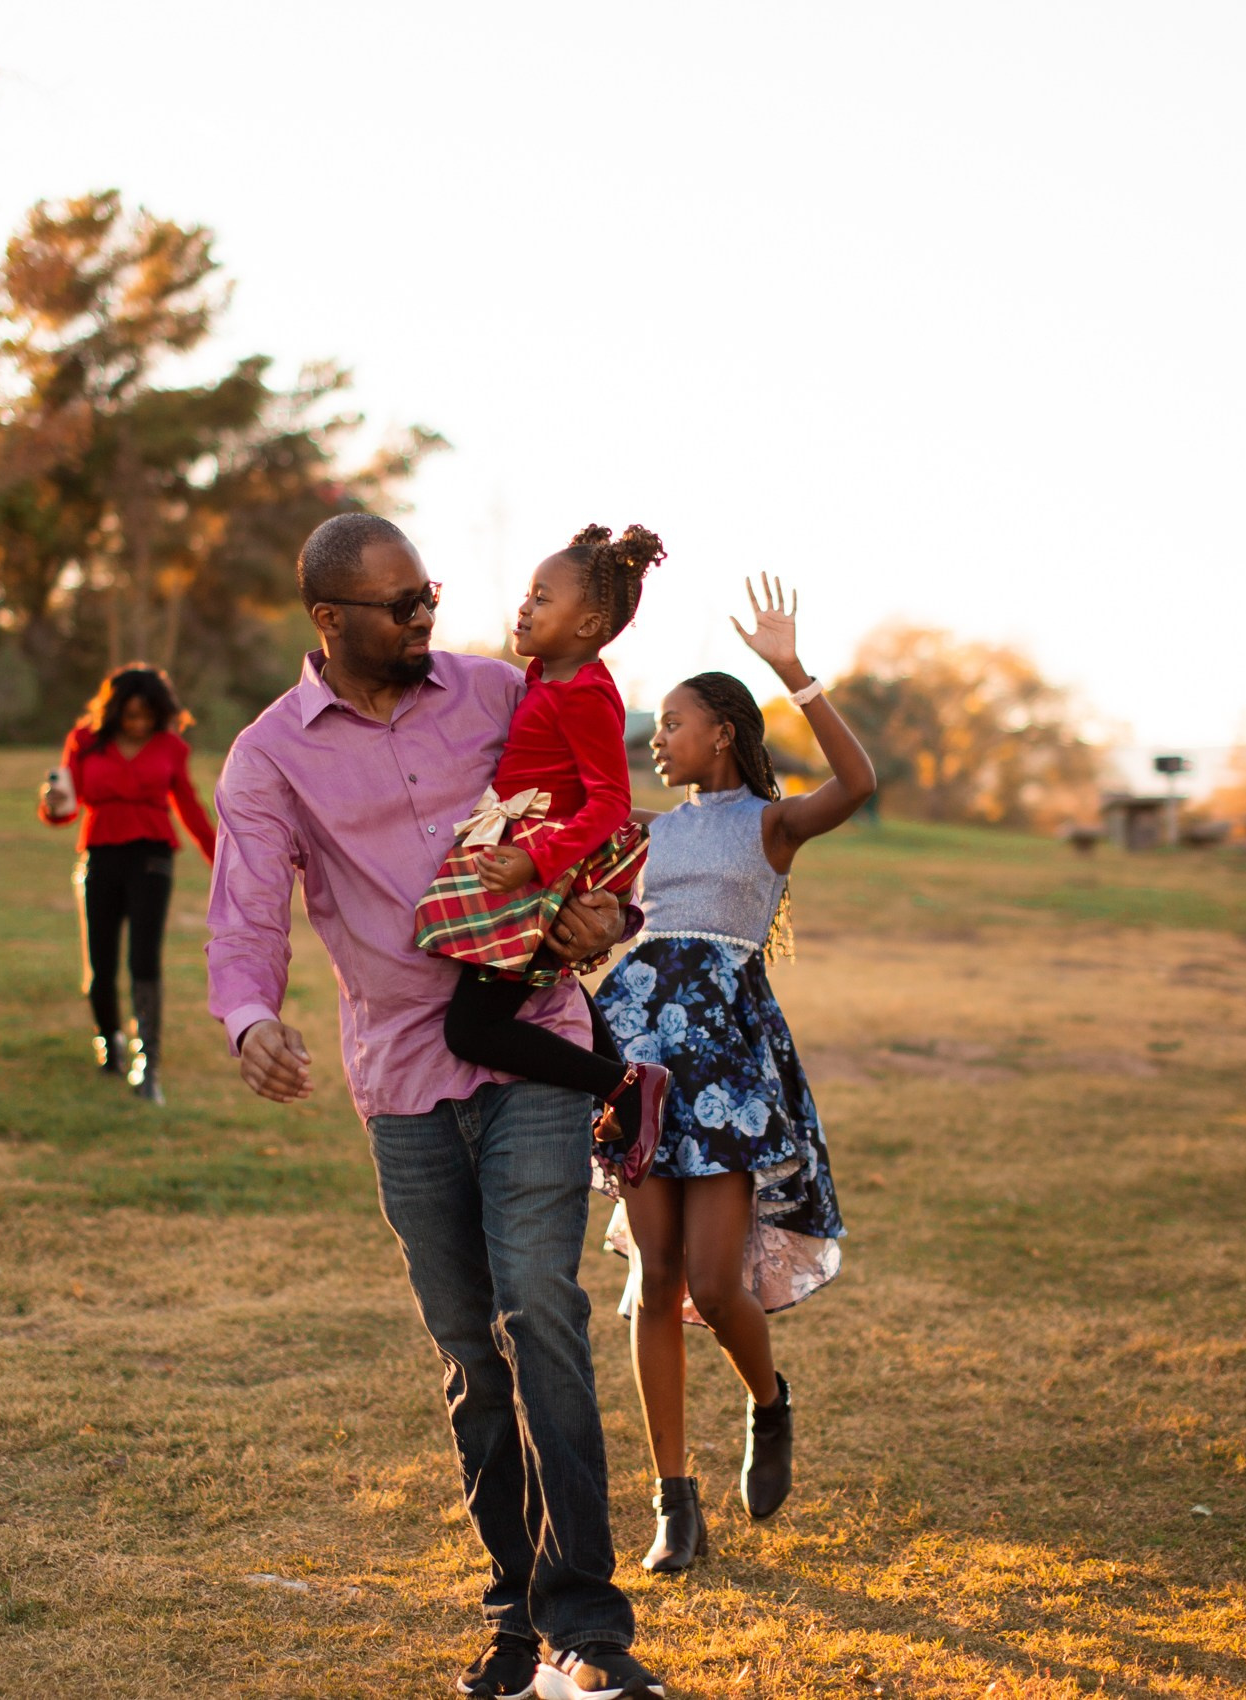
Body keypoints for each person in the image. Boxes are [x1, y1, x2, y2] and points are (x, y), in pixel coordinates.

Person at [206, 513, 668, 1700]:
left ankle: (590, 1624)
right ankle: (516, 1613)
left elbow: (601, 816)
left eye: (429, 595)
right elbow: (247, 905)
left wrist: (609, 914)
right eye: (401, 605)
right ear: (330, 620)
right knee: (472, 1349)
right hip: (403, 1078)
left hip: (529, 1042)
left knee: (539, 1306)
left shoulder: (496, 692)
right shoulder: (269, 755)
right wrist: (252, 1018)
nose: (427, 617)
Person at [592, 576, 875, 1575]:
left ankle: (769, 1400)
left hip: (723, 1056)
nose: (658, 738)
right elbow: (600, 909)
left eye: (673, 722)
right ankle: (675, 1501)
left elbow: (858, 781)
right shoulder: (651, 830)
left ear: (721, 731)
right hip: (639, 1051)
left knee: (714, 1282)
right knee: (652, 1277)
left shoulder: (771, 823)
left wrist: (794, 670)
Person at [416, 523, 673, 1177]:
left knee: (471, 1030)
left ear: (587, 624)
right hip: (521, 848)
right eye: (528, 594)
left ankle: (622, 1084)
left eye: (542, 598)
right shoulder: (545, 675)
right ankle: (626, 1088)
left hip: (543, 863)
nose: (524, 607)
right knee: (540, 979)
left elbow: (611, 801)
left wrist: (538, 861)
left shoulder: (586, 692)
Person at [40, 663, 215, 1103]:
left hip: (152, 859)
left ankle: (148, 1062)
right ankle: (108, 1042)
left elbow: (190, 807)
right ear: (114, 711)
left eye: (147, 716)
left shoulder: (171, 747)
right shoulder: (84, 741)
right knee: (100, 964)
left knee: (144, 960)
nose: (138, 725)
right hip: (100, 856)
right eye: (130, 715)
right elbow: (65, 808)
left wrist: (224, 860)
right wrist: (51, 806)